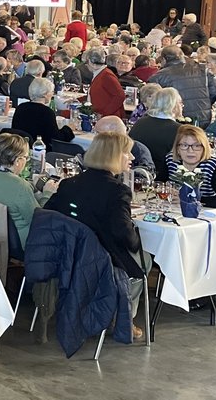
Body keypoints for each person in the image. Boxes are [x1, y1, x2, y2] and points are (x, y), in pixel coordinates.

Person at [45, 132, 148, 336]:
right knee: (146, 260)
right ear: (114, 155)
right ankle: (125, 317)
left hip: (70, 252)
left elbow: (50, 213)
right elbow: (122, 233)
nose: (133, 158)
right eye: (128, 153)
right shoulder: (117, 190)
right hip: (100, 256)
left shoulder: (69, 184)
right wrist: (138, 241)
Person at [0, 133, 42, 248]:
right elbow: (38, 220)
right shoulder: (20, 187)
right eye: (26, 157)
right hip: (18, 242)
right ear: (18, 161)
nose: (26, 161)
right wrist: (48, 194)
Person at [149, 46, 216, 127]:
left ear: (164, 60)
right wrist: (205, 103)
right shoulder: (202, 69)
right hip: (203, 118)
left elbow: (150, 100)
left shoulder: (159, 76)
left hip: (177, 119)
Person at [165, 126, 216, 207]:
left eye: (196, 146)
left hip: (205, 213)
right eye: (184, 145)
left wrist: (190, 199)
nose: (190, 151)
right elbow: (158, 186)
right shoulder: (170, 161)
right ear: (177, 148)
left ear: (204, 148)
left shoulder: (213, 166)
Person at [128, 87, 183, 177]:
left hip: (137, 173)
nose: (182, 106)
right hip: (164, 177)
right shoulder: (179, 130)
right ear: (174, 106)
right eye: (180, 103)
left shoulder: (140, 122)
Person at [11, 77, 75, 145]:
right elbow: (55, 139)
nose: (52, 94)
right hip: (40, 150)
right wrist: (68, 129)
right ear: (45, 94)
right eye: (52, 92)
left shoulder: (21, 107)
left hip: (19, 147)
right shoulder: (47, 112)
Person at [88, 51, 127, 119]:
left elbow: (120, 95)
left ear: (90, 62)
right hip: (104, 116)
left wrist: (105, 113)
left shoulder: (106, 75)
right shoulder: (100, 73)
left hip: (110, 118)